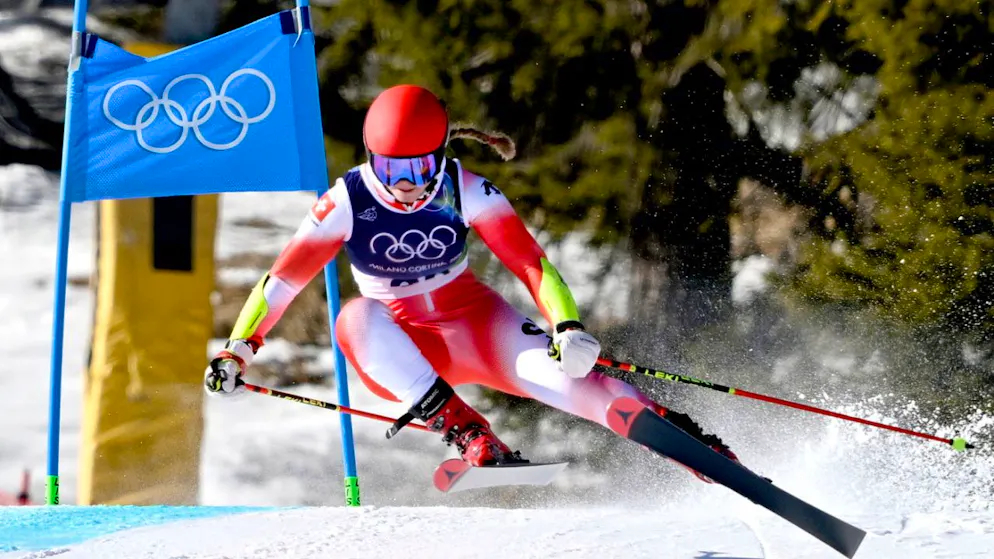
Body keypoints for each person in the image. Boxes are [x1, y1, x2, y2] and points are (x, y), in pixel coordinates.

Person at [204, 84, 737, 478]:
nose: (406, 186)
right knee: (355, 318)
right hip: (402, 346)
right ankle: (467, 430)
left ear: (440, 153)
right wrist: (236, 350)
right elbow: (283, 281)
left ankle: (687, 443)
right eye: (391, 170)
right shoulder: (346, 201)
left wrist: (566, 326)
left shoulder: (467, 189)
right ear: (371, 159)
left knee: (581, 383)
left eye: (417, 168)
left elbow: (531, 264)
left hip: (478, 326)